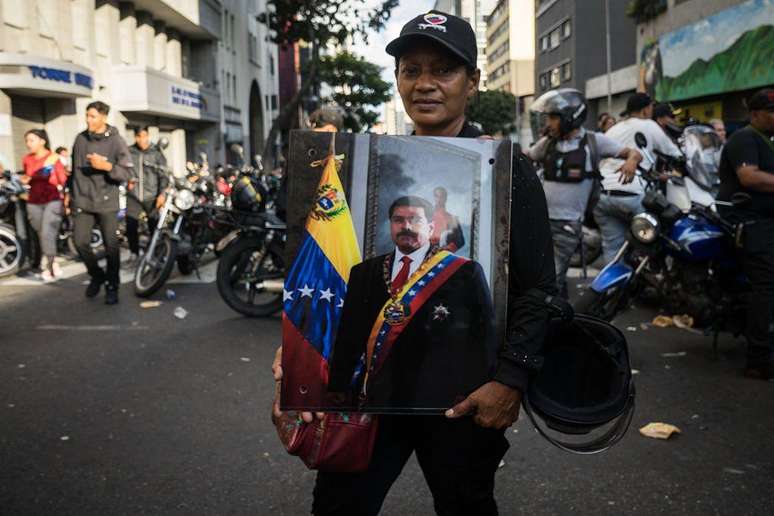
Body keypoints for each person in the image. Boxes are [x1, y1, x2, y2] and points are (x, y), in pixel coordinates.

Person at [273, 11, 557, 515]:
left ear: (472, 82)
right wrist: (299, 365)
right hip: (370, 397)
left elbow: (539, 290)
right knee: (337, 507)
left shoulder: (506, 169)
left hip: (462, 399)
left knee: (466, 506)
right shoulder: (359, 159)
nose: (424, 84)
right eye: (411, 69)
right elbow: (332, 288)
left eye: (443, 70)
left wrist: (511, 380)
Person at [327, 196, 492, 410]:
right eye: (398, 220)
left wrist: (477, 392)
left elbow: (484, 336)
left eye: (415, 220)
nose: (406, 226)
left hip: (440, 400)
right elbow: (349, 334)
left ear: (431, 227)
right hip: (380, 399)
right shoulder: (363, 273)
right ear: (391, 225)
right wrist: (338, 386)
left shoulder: (464, 272)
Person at [527, 89, 641, 298]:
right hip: (541, 221)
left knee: (550, 278)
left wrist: (631, 161)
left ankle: (555, 321)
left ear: (571, 117)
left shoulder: (594, 142)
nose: (548, 123)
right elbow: (527, 156)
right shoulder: (549, 143)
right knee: (546, 277)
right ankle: (559, 316)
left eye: (553, 117)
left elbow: (633, 152)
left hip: (568, 226)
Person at [717, 88, 774, 380]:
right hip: (750, 222)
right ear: (755, 114)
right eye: (771, 111)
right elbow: (749, 176)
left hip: (765, 219)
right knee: (765, 285)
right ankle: (759, 359)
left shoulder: (765, 139)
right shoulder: (745, 138)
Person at [595, 93, 682, 263]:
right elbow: (674, 153)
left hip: (603, 195)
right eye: (651, 107)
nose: (652, 111)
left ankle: (615, 287)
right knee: (656, 238)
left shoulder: (615, 128)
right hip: (631, 194)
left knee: (613, 248)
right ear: (645, 110)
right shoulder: (649, 125)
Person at [69, 101, 133, 305]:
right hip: (82, 199)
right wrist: (69, 196)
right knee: (80, 242)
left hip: (107, 201)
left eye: (93, 116)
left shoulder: (116, 141)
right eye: (87, 115)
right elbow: (74, 172)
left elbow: (126, 173)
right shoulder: (80, 139)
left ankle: (112, 286)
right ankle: (97, 275)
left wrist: (106, 166)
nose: (88, 120)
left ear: (104, 117)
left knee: (111, 247)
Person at [20, 129, 68, 281]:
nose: (28, 144)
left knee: (47, 232)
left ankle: (51, 263)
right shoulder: (27, 159)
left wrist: (67, 200)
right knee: (41, 233)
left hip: (52, 200)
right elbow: (27, 177)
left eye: (32, 140)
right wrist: (25, 180)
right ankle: (49, 258)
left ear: (42, 141)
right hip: (33, 201)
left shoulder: (53, 158)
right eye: (27, 140)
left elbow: (63, 180)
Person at [124, 126, 168, 268]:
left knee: (154, 226)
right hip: (134, 195)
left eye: (144, 136)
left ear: (148, 136)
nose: (142, 140)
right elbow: (124, 169)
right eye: (139, 137)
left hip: (152, 195)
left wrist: (162, 194)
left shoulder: (156, 153)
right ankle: (134, 253)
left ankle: (156, 253)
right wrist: (127, 180)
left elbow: (164, 176)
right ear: (135, 137)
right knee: (131, 224)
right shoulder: (129, 151)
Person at [430, 186, 464, 251]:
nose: (439, 199)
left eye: (442, 196)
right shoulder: (426, 217)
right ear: (434, 198)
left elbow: (460, 241)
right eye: (437, 196)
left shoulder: (452, 219)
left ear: (445, 198)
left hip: (443, 256)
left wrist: (446, 249)